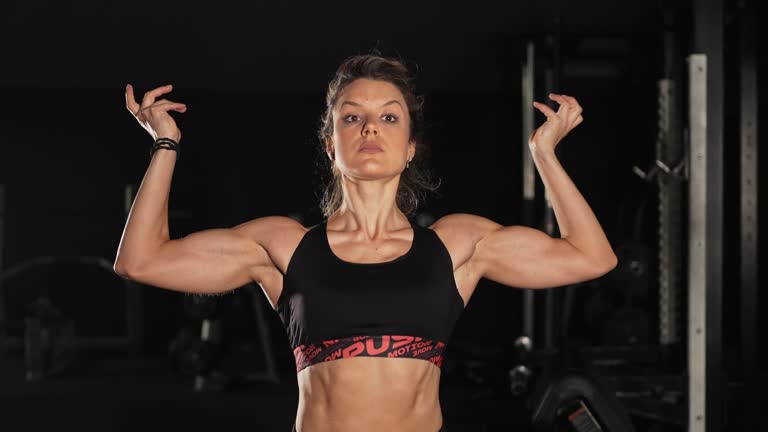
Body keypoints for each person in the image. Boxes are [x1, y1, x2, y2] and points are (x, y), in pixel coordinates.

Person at [114, 53, 618, 432]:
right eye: (352, 117)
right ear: (331, 144)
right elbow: (141, 260)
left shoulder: (458, 244)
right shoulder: (283, 246)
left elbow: (592, 257)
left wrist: (545, 153)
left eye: (389, 117)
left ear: (410, 147)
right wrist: (165, 144)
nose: (370, 126)